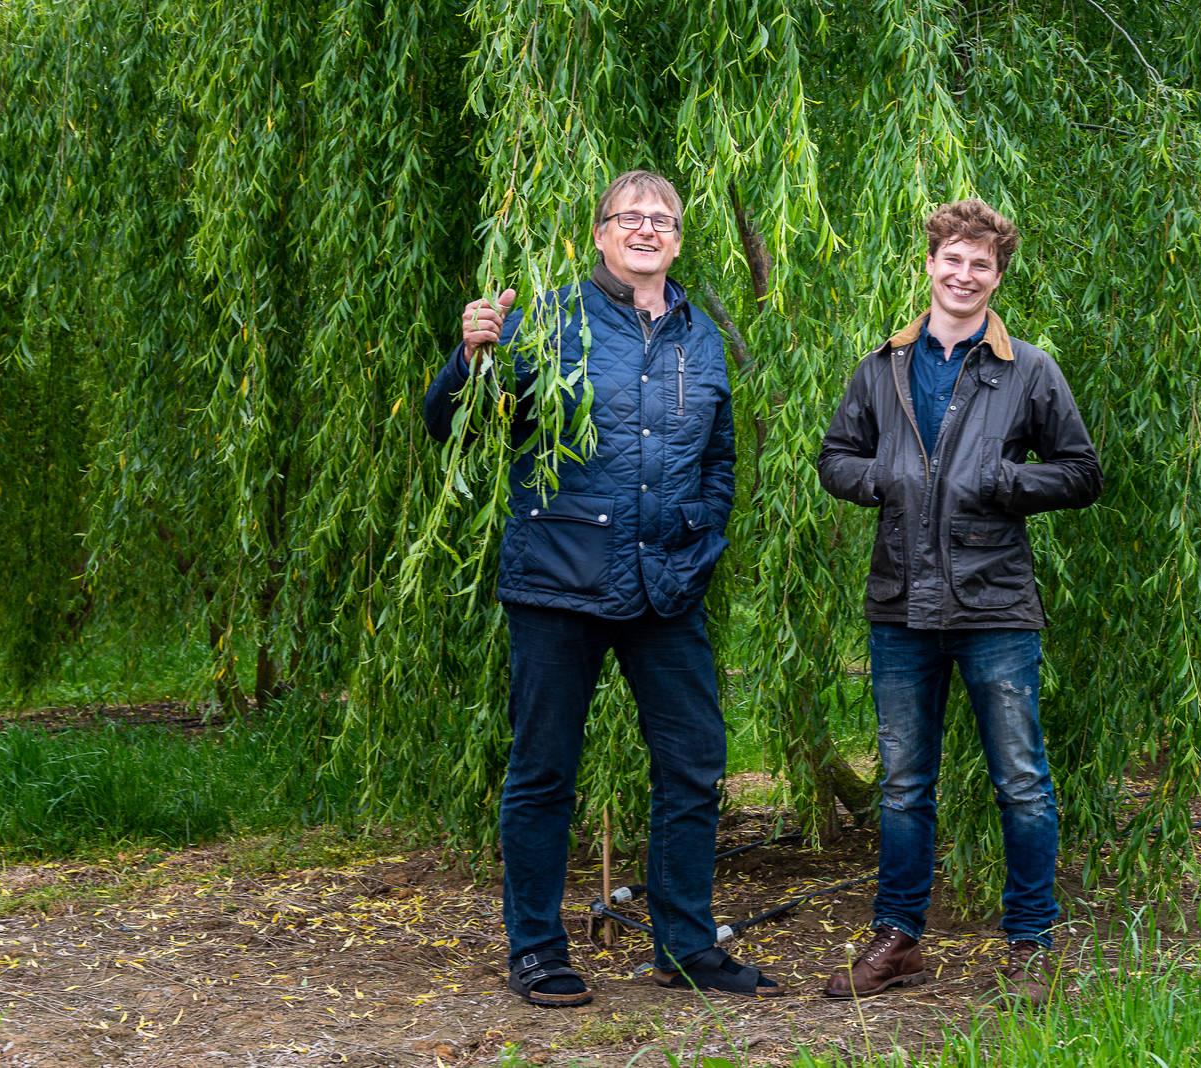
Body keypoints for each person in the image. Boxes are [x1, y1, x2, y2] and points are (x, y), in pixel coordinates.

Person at [424, 170, 783, 1006]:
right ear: (600, 234)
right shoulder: (543, 320)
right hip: (560, 583)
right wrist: (469, 356)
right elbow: (451, 425)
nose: (648, 229)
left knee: (694, 765)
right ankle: (538, 950)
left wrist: (706, 536)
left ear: (680, 239)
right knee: (544, 769)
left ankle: (686, 946)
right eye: (632, 217)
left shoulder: (701, 335)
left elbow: (719, 456)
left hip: (668, 586)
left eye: (663, 219)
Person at [815, 198, 1103, 1006]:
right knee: (905, 783)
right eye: (953, 259)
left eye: (982, 264)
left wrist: (1003, 481)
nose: (965, 274)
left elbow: (1082, 472)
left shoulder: (1029, 369)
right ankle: (900, 939)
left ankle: (1031, 944)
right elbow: (835, 458)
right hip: (900, 604)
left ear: (997, 276)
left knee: (1021, 780)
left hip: (995, 606)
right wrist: (886, 478)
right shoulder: (885, 366)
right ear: (931, 264)